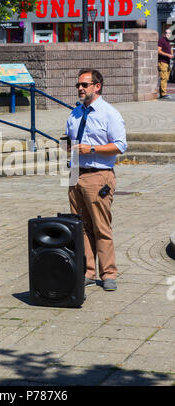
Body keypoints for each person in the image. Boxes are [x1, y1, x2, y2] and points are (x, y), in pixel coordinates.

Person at [66, 69, 127, 291]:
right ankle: (88, 272)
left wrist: (91, 148)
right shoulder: (74, 114)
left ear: (97, 86)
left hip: (98, 175)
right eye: (78, 85)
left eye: (85, 85)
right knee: (80, 227)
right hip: (76, 173)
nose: (80, 88)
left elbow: (120, 145)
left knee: (101, 226)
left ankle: (109, 274)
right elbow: (70, 142)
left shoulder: (109, 113)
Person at [158, 28, 174, 100]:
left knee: (166, 78)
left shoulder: (168, 41)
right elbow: (158, 51)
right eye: (167, 33)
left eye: (170, 33)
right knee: (163, 78)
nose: (168, 34)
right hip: (162, 61)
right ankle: (163, 94)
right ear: (164, 33)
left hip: (168, 62)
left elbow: (169, 51)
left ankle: (162, 94)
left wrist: (171, 54)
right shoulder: (162, 40)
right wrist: (168, 55)